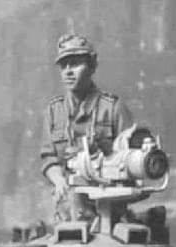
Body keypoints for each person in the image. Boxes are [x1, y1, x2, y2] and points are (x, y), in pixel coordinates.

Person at [40, 33, 133, 221]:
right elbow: (48, 158)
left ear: (91, 66)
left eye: (75, 64)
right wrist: (59, 181)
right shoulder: (54, 111)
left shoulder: (113, 108)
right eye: (64, 65)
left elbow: (131, 161)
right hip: (67, 212)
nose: (68, 71)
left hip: (109, 210)